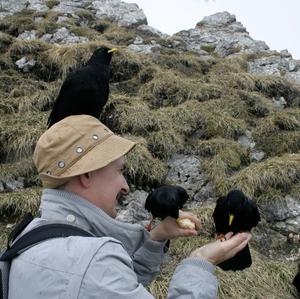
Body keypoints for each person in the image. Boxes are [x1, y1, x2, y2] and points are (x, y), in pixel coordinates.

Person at [8, 115, 252, 298]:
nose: (125, 186)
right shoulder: (92, 262)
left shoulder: (27, 238)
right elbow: (93, 276)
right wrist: (200, 262)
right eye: (120, 171)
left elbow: (113, 287)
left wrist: (155, 239)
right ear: (87, 175)